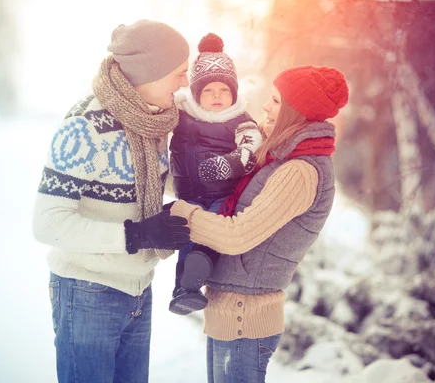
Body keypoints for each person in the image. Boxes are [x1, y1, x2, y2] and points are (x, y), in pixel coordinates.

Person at [32, 19, 191, 383]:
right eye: (180, 72)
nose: (185, 83)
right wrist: (135, 236)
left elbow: (146, 186)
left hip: (138, 290)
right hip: (88, 293)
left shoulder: (153, 123)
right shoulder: (84, 128)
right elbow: (48, 222)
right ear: (152, 72)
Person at [170, 65, 350, 382]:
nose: (266, 106)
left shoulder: (300, 171)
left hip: (245, 317)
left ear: (296, 112)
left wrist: (182, 214)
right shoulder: (278, 158)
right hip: (232, 311)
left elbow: (239, 235)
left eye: (276, 101)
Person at [168, 33, 262, 315]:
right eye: (208, 90)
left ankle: (199, 267)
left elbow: (250, 150)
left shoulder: (241, 120)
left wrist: (227, 164)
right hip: (188, 194)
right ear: (196, 94)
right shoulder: (181, 114)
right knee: (188, 230)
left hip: (224, 195)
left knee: (214, 232)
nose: (217, 96)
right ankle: (183, 288)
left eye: (224, 89)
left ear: (234, 92)